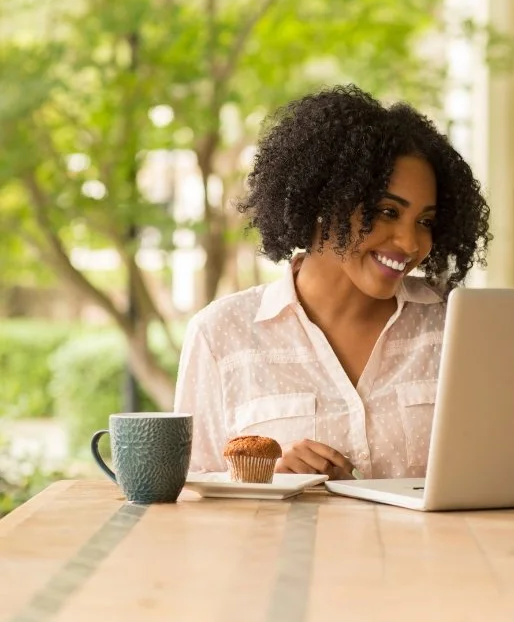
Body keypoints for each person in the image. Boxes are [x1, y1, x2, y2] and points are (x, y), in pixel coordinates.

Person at [173, 84, 491, 480]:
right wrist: (264, 479)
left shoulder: (458, 328)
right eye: (387, 212)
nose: (410, 243)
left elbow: (502, 471)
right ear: (323, 202)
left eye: (424, 222)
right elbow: (190, 493)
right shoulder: (220, 335)